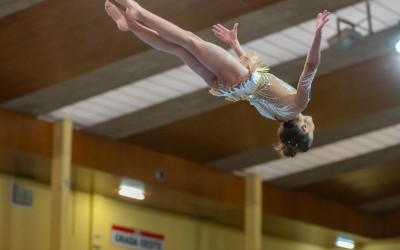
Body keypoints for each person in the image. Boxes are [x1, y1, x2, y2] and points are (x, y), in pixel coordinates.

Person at [105, 0, 330, 157]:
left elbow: (311, 65)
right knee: (180, 50)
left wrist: (318, 34)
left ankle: (138, 12)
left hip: (238, 78)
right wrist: (235, 45)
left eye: (311, 132)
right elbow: (258, 80)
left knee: (190, 41)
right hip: (226, 87)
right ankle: (131, 25)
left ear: (302, 128)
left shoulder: (299, 104)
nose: (312, 126)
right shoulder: (277, 117)